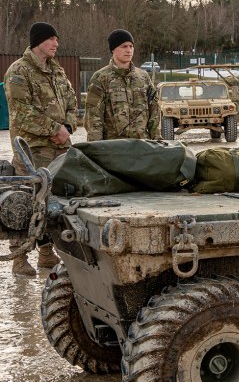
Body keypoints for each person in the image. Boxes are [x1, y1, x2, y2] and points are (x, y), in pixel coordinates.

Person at [3, 22, 76, 275]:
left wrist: (67, 126)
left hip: (60, 149)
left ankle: (47, 254)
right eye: (51, 39)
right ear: (38, 42)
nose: (56, 44)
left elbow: (71, 102)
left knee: (54, 204)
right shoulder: (18, 71)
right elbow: (21, 113)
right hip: (31, 151)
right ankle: (19, 259)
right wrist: (54, 129)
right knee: (24, 202)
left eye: (57, 39)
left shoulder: (57, 71)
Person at [84, 29, 159, 141]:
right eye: (124, 46)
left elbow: (154, 111)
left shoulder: (143, 77)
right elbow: (93, 117)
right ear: (113, 49)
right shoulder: (101, 78)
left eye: (131, 46)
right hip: (114, 148)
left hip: (142, 145)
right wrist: (96, 149)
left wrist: (157, 140)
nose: (129, 50)